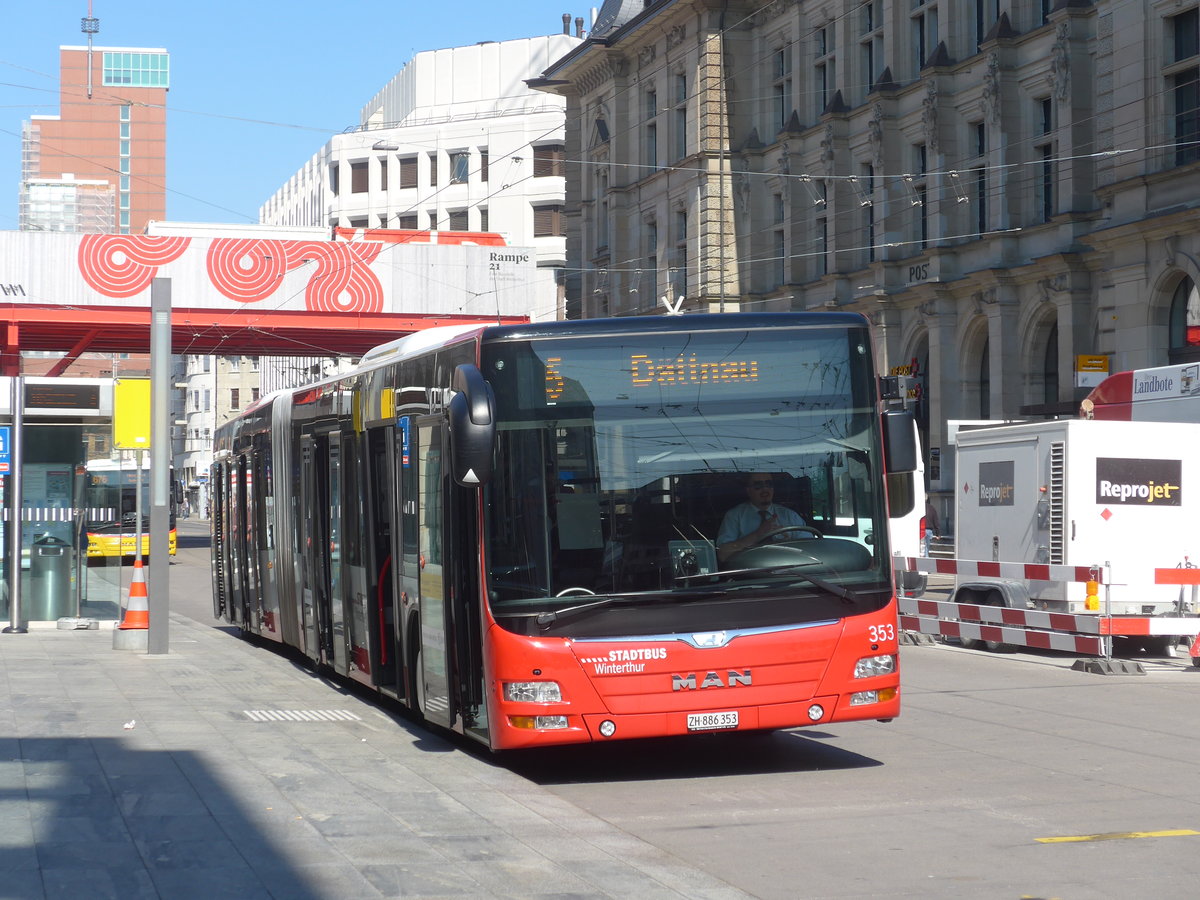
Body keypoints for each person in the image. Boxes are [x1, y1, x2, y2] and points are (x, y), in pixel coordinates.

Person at [716, 472, 807, 563]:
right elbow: (723, 554)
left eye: (769, 484)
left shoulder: (790, 516)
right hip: (749, 573)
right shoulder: (734, 516)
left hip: (790, 572)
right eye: (758, 485)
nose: (765, 489)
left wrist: (789, 543)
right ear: (748, 490)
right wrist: (758, 534)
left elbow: (809, 551)